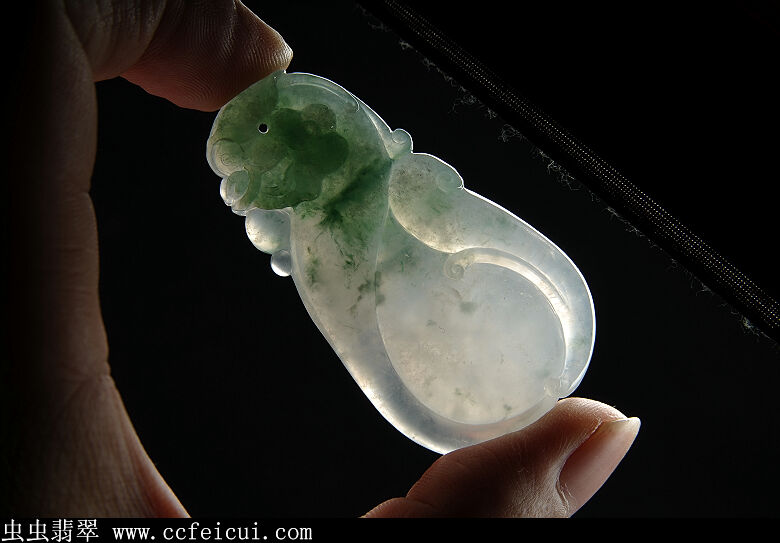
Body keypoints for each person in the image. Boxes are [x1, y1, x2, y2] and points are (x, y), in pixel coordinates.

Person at [1, 1, 639, 517]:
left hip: (487, 320)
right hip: (444, 342)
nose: (252, 181)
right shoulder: (321, 244)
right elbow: (362, 335)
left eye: (259, 153)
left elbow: (470, 236)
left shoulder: (371, 200)